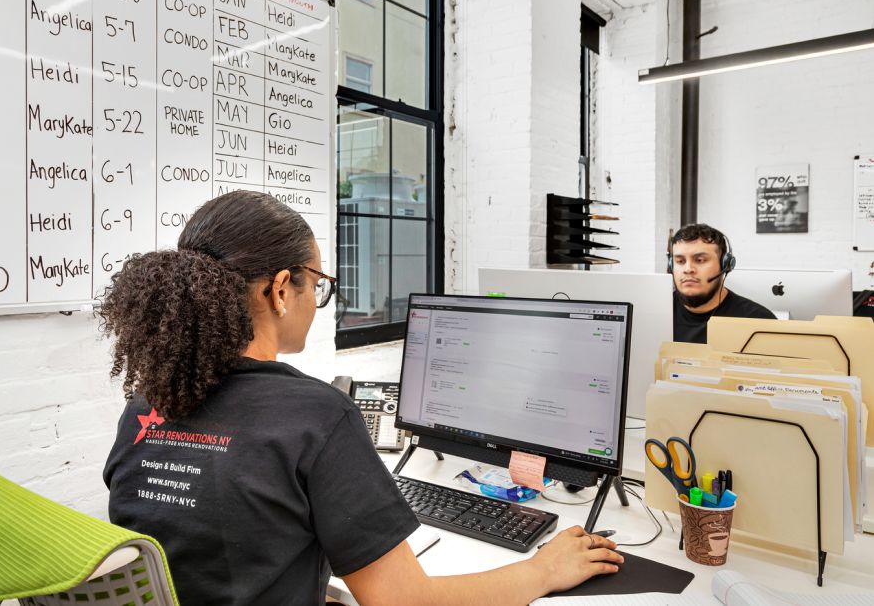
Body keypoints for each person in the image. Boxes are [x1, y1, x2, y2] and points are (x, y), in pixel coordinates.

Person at [101, 191, 623, 606]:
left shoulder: (145, 406)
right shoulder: (315, 416)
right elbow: (406, 602)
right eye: (318, 284)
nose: (318, 301)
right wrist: (542, 570)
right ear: (282, 289)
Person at [669, 223, 775, 344]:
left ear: (725, 265)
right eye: (680, 261)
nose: (688, 269)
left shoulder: (759, 321)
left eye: (700, 260)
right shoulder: (653, 314)